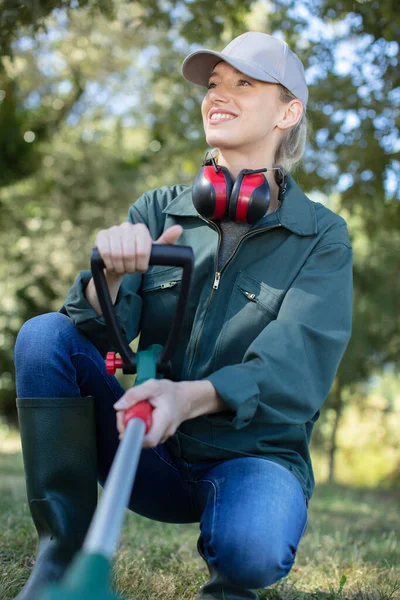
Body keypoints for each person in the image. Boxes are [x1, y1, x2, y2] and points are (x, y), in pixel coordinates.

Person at [13, 31, 353, 600]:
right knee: (43, 336)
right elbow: (94, 335)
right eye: (214, 83)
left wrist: (186, 397)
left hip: (250, 457)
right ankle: (59, 557)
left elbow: (295, 369)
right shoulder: (156, 209)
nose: (218, 94)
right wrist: (113, 275)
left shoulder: (322, 237)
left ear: (288, 111)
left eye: (244, 83)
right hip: (143, 444)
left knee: (254, 549)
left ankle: (231, 579)